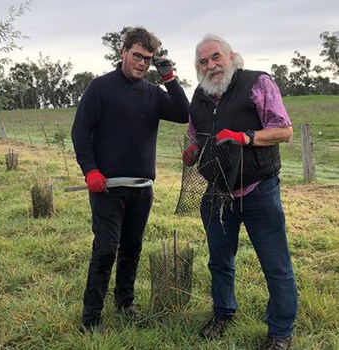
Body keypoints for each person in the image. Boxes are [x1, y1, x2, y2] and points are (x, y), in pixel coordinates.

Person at [183, 34, 298, 350]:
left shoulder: (258, 83)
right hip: (218, 191)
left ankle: (279, 332)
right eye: (203, 62)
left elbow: (284, 130)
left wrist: (246, 137)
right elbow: (195, 133)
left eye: (216, 57)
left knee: (275, 264)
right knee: (219, 260)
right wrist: (192, 149)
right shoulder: (201, 95)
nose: (211, 65)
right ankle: (223, 313)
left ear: (231, 57)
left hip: (259, 188)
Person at [71, 26, 189, 333]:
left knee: (132, 248)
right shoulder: (100, 88)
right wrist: (90, 170)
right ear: (123, 52)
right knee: (106, 249)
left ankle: (125, 304)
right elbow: (80, 131)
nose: (141, 63)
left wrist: (170, 78)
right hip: (106, 187)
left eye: (148, 59)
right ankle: (91, 318)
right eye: (137, 56)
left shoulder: (152, 93)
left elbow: (182, 113)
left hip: (141, 189)